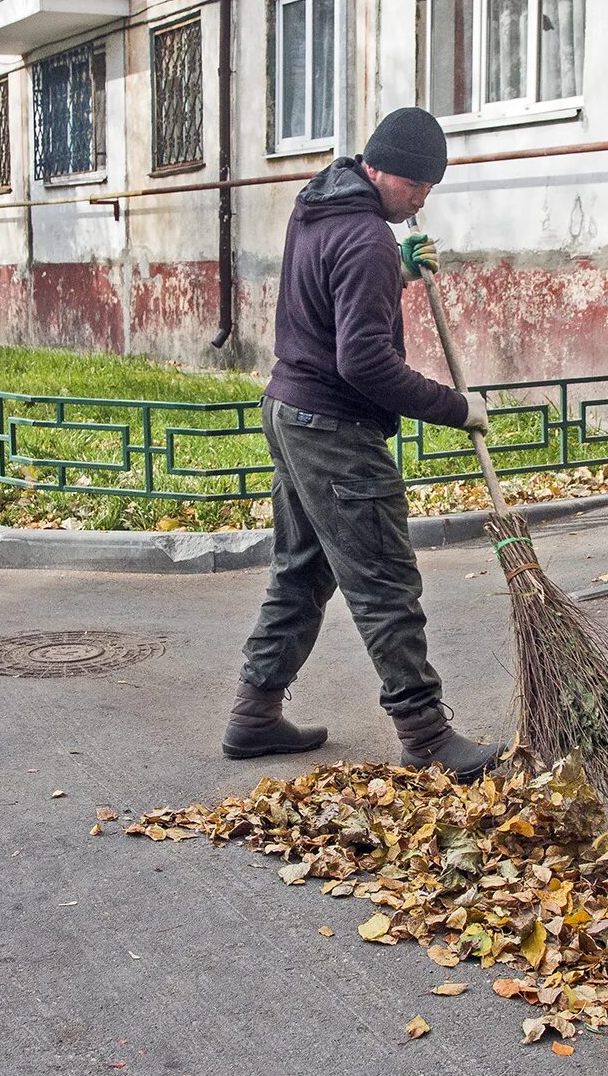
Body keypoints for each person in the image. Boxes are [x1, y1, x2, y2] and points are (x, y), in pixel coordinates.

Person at [222, 107, 500, 781]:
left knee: (304, 569)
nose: (422, 202)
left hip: (289, 410)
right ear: (388, 171)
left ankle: (254, 714)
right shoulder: (367, 239)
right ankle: (426, 732)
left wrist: (397, 273)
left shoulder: (319, 203)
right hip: (335, 430)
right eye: (420, 188)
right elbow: (366, 364)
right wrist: (456, 406)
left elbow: (329, 294)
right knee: (384, 578)